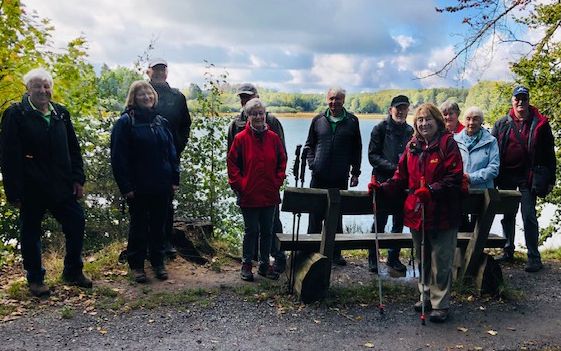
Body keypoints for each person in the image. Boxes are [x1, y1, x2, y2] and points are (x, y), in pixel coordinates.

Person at [0, 68, 92, 297]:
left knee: (76, 222)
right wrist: (14, 192)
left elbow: (73, 149)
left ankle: (72, 270)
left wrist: (78, 178)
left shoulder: (61, 113)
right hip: (31, 188)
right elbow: (8, 155)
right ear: (28, 89)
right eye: (37, 86)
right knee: (30, 232)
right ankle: (36, 279)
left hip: (61, 185)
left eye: (46, 86)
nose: (43, 90)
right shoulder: (16, 114)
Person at [369, 103, 463, 323]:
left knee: (441, 259)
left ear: (437, 121)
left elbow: (455, 177)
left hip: (443, 212)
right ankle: (425, 296)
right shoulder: (412, 146)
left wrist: (431, 191)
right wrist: (381, 189)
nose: (423, 124)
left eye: (427, 119)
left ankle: (441, 304)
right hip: (417, 212)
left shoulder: (447, 144)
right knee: (422, 258)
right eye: (420, 120)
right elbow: (400, 177)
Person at [111, 80, 180, 283]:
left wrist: (174, 178)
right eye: (141, 94)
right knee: (139, 226)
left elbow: (171, 153)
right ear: (133, 98)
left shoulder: (160, 122)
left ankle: (158, 262)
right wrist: (126, 187)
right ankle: (137, 265)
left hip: (162, 184)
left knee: (159, 225)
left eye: (149, 94)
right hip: (138, 186)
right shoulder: (125, 123)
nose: (146, 97)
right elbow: (118, 158)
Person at [491, 86, 556, 272]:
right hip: (506, 176)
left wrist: (551, 178)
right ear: (512, 101)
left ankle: (534, 257)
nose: (521, 102)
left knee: (529, 216)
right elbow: (492, 151)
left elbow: (549, 153)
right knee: (508, 216)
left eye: (524, 99)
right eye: (517, 98)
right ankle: (508, 251)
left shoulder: (541, 124)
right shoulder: (502, 123)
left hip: (528, 177)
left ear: (528, 101)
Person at [227, 83, 287, 274]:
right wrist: (239, 185)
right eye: (243, 97)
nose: (246, 100)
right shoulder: (236, 128)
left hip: (269, 190)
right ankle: (248, 263)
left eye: (250, 96)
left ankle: (271, 261)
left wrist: (276, 182)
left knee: (270, 228)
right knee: (251, 229)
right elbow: (231, 160)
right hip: (248, 190)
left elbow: (281, 158)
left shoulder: (273, 127)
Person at [305, 87, 362, 266]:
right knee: (314, 216)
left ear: (344, 100)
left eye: (337, 99)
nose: (333, 102)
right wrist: (312, 163)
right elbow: (309, 146)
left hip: (340, 177)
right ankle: (310, 252)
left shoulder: (352, 121)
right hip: (318, 176)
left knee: (336, 217)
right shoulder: (318, 120)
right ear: (326, 99)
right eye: (331, 99)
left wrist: (355, 173)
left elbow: (357, 149)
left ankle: (335, 254)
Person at [147, 58, 192, 258]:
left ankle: (166, 242)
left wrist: (177, 147)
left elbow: (185, 125)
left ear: (167, 72)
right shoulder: (141, 92)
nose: (159, 72)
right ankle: (146, 245)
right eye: (155, 69)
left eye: (162, 69)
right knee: (143, 203)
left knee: (167, 201)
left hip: (170, 159)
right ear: (148, 71)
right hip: (145, 159)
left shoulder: (178, 97)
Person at [367, 95, 413, 273]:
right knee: (379, 221)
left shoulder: (410, 130)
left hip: (402, 184)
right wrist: (395, 169)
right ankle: (373, 258)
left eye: (404, 108)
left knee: (399, 221)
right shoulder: (379, 128)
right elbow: (373, 156)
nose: (401, 111)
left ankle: (393, 258)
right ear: (390, 110)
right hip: (382, 182)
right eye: (398, 108)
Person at [454, 106, 500, 231]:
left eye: (475, 119)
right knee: (460, 228)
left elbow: (494, 168)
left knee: (478, 230)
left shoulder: (491, 141)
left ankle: (475, 251)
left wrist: (470, 178)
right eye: (468, 119)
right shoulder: (454, 140)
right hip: (459, 191)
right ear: (463, 120)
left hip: (482, 193)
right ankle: (462, 251)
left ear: (481, 122)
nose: (471, 122)